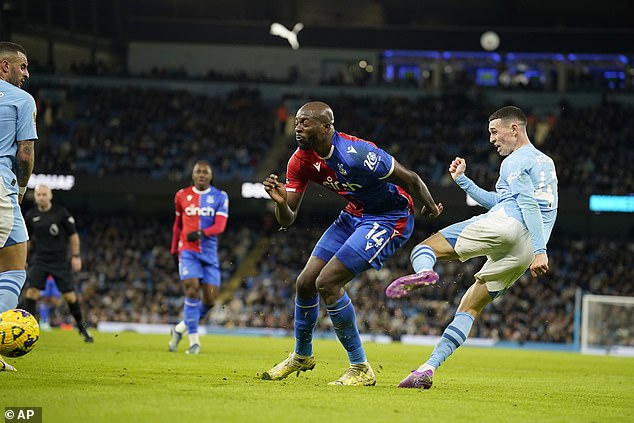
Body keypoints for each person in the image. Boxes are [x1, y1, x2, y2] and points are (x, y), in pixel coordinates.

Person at [260, 101, 443, 386]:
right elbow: (287, 220)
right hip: (354, 214)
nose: (298, 127)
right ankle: (301, 355)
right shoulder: (299, 161)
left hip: (388, 217)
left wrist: (431, 207)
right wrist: (282, 204)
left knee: (328, 283)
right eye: (297, 122)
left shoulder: (358, 154)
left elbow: (411, 178)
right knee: (305, 282)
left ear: (326, 127)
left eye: (306, 122)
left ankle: (360, 368)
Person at [386, 105, 558, 389]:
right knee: (470, 306)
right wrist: (464, 182)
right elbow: (506, 201)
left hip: (513, 227)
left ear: (514, 128)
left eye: (494, 131)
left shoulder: (514, 161)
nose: (491, 138)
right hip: (524, 248)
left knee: (424, 248)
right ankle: (427, 368)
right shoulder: (545, 163)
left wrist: (542, 251)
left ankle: (425, 272)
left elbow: (525, 203)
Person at [0, 41, 37, 372]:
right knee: (13, 268)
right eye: (22, 66)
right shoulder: (21, 100)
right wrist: (22, 187)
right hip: (0, 186)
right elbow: (24, 153)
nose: (26, 73)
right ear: (4, 67)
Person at [168, 160, 229, 354]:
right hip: (187, 252)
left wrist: (202, 233)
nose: (201, 175)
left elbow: (220, 226)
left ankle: (179, 329)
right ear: (193, 175)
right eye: (198, 172)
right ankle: (194, 342)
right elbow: (177, 225)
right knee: (192, 290)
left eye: (205, 172)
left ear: (211, 176)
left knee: (210, 301)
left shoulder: (220, 196)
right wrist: (173, 250)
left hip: (210, 255)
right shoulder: (181, 195)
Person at [20, 184, 94, 343]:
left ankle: (82, 328)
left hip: (59, 261)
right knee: (31, 293)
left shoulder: (61, 213)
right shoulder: (31, 215)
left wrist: (75, 255)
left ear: (50, 196)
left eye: (44, 194)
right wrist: (23, 259)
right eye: (38, 194)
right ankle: (29, 330)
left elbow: (73, 235)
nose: (41, 197)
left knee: (70, 297)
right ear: (36, 197)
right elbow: (27, 240)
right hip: (39, 260)